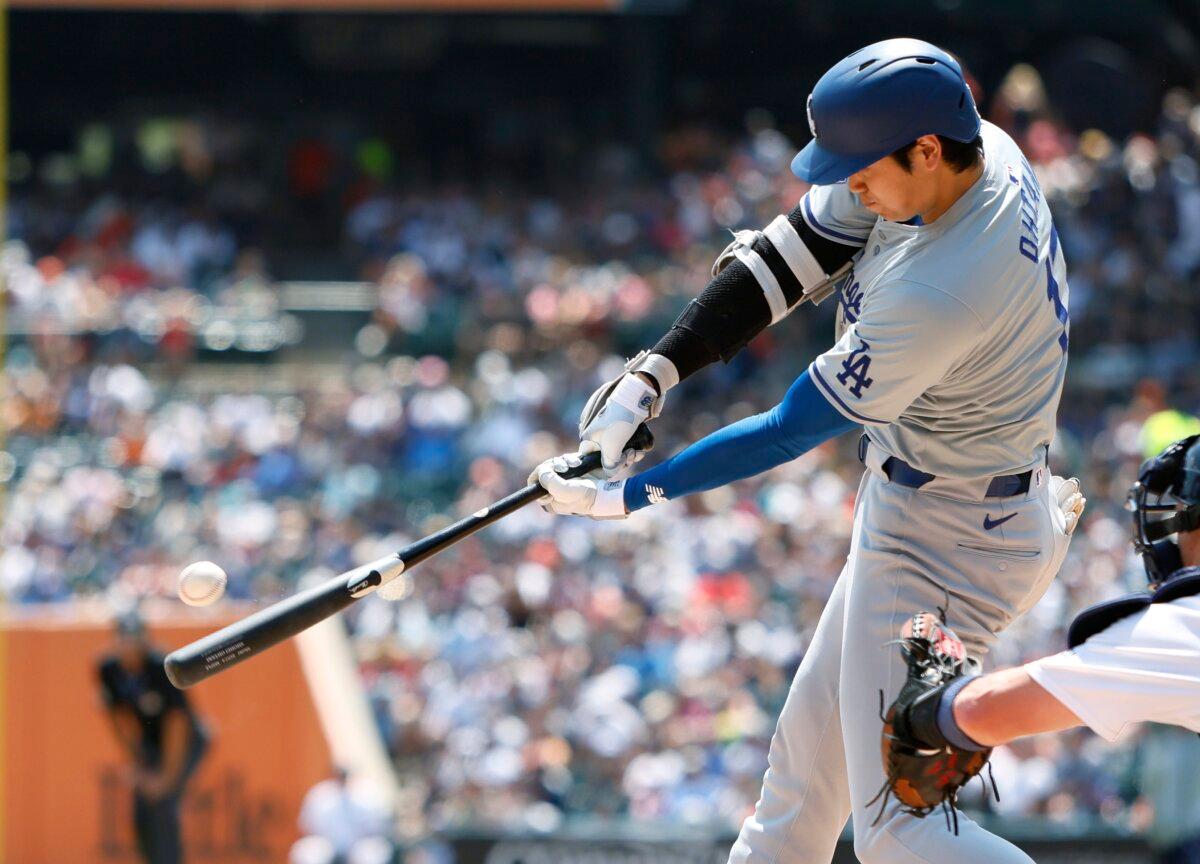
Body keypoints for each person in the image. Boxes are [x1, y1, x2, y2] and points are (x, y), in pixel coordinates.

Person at [532, 38, 1073, 863]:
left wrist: (631, 495)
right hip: (936, 508)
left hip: (953, 539)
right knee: (794, 808)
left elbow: (790, 427)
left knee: (897, 833)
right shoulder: (965, 151)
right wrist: (652, 375)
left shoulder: (945, 285)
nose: (848, 186)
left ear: (925, 150)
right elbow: (792, 254)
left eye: (860, 171)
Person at [887, 435, 1200, 753]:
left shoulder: (1186, 624)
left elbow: (976, 711)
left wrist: (924, 708)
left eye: (1181, 514)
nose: (1172, 543)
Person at [98, 610, 209, 864]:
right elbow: (116, 719)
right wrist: (135, 762)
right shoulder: (109, 669)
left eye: (135, 637)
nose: (129, 644)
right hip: (151, 744)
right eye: (124, 637)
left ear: (145, 639)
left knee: (163, 803)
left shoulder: (162, 667)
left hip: (188, 742)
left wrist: (165, 777)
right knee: (141, 813)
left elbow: (177, 725)